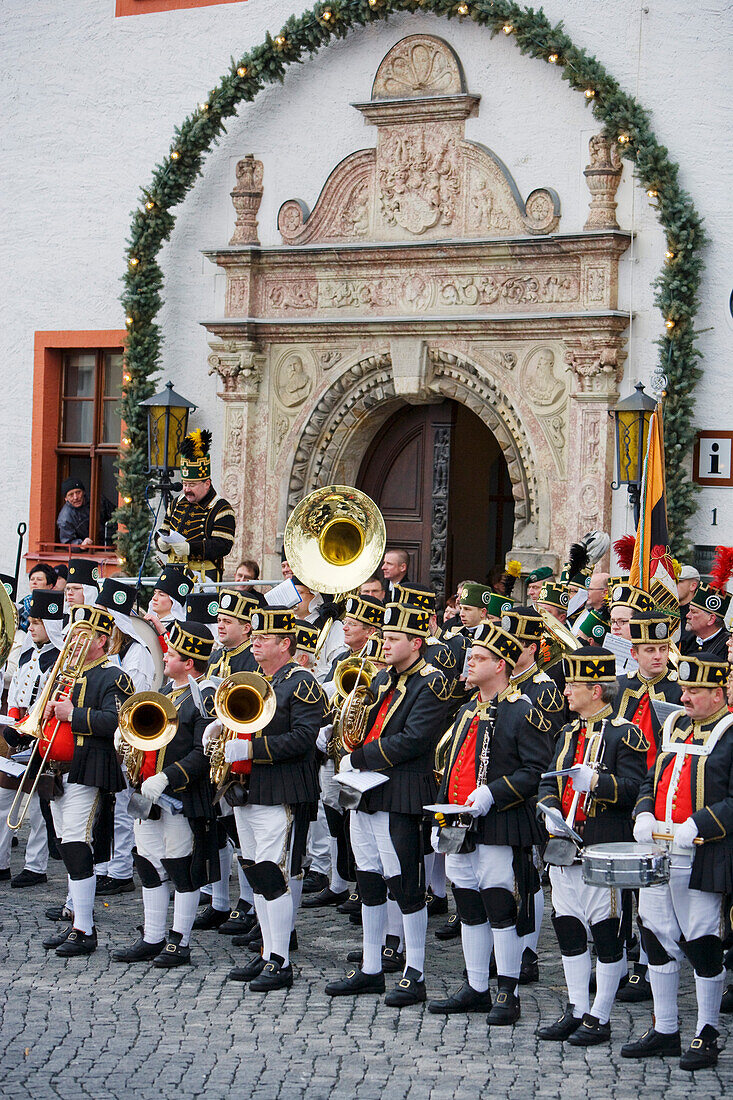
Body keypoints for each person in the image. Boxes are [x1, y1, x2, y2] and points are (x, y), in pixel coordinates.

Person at [325, 601, 453, 1007]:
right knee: (368, 877)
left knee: (405, 883)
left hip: (402, 792)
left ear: (416, 642)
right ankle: (370, 967)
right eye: (383, 637)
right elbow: (364, 724)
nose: (384, 644)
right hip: (368, 791)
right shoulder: (384, 680)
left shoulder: (431, 683)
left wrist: (359, 757)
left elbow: (414, 739)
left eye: (393, 639)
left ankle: (414, 972)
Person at [428, 622, 551, 1021]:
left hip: (501, 822)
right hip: (461, 824)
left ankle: (507, 991)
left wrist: (493, 793)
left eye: (479, 658)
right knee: (468, 905)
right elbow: (451, 764)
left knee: (501, 905)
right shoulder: (466, 709)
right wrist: (443, 811)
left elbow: (536, 771)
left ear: (500, 665)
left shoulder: (523, 710)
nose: (470, 662)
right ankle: (476, 985)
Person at [623, 653, 733, 1070]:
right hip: (660, 850)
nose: (683, 698)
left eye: (694, 691)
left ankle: (707, 1032)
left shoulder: (731, 732)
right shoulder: (673, 725)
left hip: (703, 852)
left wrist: (702, 822)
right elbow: (652, 777)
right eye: (684, 689)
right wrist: (645, 811)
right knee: (654, 934)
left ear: (718, 693)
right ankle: (665, 1027)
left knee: (703, 940)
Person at [536, 647, 648, 1045]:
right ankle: (576, 1008)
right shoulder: (568, 731)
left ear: (596, 690)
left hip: (604, 849)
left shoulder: (626, 733)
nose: (566, 691)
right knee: (566, 928)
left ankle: (600, 1016)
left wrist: (599, 784)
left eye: (574, 685)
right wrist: (549, 806)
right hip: (565, 847)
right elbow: (549, 778)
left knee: (606, 933)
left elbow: (637, 789)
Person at [220, 607, 325, 993]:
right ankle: (268, 950)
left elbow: (303, 739)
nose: (257, 643)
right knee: (257, 871)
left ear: (286, 644)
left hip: (282, 789)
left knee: (275, 873)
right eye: (256, 637)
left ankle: (280, 959)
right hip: (250, 789)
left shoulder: (302, 683)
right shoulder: (255, 680)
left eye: (265, 638)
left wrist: (251, 748)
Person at [112, 621, 220, 967]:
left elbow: (204, 751)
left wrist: (167, 778)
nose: (165, 657)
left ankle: (180, 941)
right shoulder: (165, 692)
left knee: (181, 868)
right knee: (146, 863)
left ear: (189, 662)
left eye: (171, 653)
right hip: (147, 793)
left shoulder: (204, 697)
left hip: (182, 796)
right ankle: (153, 935)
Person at [40, 605, 134, 957]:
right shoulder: (69, 672)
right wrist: (49, 713)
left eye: (83, 636)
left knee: (78, 844)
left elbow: (117, 721)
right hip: (59, 768)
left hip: (88, 768)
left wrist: (73, 715)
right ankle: (78, 918)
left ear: (102, 640)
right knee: (66, 844)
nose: (74, 641)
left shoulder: (113, 675)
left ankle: (85, 929)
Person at [614, 611, 683, 1003]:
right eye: (649, 650)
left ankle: (646, 963)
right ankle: (620, 959)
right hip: (622, 792)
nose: (657, 657)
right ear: (635, 652)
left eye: (662, 648)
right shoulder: (620, 686)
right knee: (622, 886)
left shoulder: (677, 690)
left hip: (656, 797)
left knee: (650, 888)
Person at [305, 594, 384, 911]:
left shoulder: (378, 659)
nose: (345, 627)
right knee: (335, 814)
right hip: (335, 748)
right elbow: (328, 696)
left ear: (370, 631)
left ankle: (363, 886)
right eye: (346, 622)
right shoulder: (340, 659)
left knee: (359, 817)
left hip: (362, 752)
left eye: (352, 624)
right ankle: (339, 882)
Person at [93, 577, 161, 897]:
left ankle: (121, 870)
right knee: (105, 807)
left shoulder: (137, 654)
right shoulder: (109, 651)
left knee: (122, 808)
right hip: (106, 736)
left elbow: (132, 700)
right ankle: (104, 866)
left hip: (128, 740)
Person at [1, 591, 65, 887]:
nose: (31, 626)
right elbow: (16, 696)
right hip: (19, 734)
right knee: (4, 800)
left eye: (37, 622)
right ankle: (1, 862)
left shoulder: (59, 659)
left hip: (45, 738)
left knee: (41, 807)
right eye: (30, 621)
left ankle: (35, 866)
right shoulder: (27, 655)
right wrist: (14, 724)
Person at [155, 428, 236, 582]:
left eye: (192, 484)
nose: (186, 489)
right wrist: (160, 543)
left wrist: (190, 549)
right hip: (173, 572)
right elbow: (163, 530)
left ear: (207, 484)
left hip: (203, 576)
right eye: (185, 484)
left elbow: (223, 545)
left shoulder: (221, 508)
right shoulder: (177, 503)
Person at [206, 588, 265, 678]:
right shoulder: (213, 657)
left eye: (227, 622)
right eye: (219, 620)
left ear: (246, 628)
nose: (220, 626)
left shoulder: (257, 661)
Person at [679, 582, 730, 660]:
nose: (687, 616)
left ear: (711, 619)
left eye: (694, 612)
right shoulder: (685, 640)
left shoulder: (728, 647)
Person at [143, 566, 194, 644]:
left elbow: (173, 653)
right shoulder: (149, 622)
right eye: (155, 593)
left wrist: (161, 629)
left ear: (174, 602)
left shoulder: (180, 629)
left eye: (161, 595)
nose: (154, 598)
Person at [16, 563, 57, 632]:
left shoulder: (53, 607)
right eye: (32, 579)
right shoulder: (23, 603)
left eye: (39, 579)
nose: (34, 582)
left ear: (50, 585)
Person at [56, 478, 92, 547]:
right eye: (71, 495)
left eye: (78, 492)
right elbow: (67, 542)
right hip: (87, 553)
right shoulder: (65, 518)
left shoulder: (97, 500)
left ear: (83, 492)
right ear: (66, 498)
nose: (75, 497)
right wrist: (81, 545)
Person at [676, 565, 700, 634]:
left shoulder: (698, 615)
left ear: (692, 586)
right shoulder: (670, 608)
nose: (674, 585)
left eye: (678, 582)